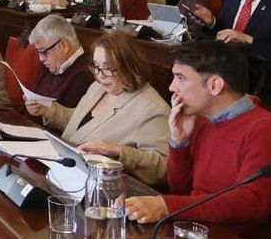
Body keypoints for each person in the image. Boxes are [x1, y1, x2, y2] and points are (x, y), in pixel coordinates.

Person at [126, 41, 271, 239]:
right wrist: (180, 142)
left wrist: (166, 206)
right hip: (202, 235)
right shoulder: (203, 121)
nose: (171, 87)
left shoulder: (268, 129)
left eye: (181, 78)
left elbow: (251, 205)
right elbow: (181, 190)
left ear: (214, 85)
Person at [32, 31, 169, 188]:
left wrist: (119, 151)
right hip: (66, 174)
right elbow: (82, 127)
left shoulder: (152, 108)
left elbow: (163, 167)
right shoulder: (98, 87)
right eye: (96, 66)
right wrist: (49, 111)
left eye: (108, 67)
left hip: (107, 189)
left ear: (130, 65)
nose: (100, 75)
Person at [25, 15, 97, 107]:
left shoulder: (82, 77)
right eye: (38, 52)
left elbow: (68, 120)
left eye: (44, 52)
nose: (41, 59)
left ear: (64, 45)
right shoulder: (53, 66)